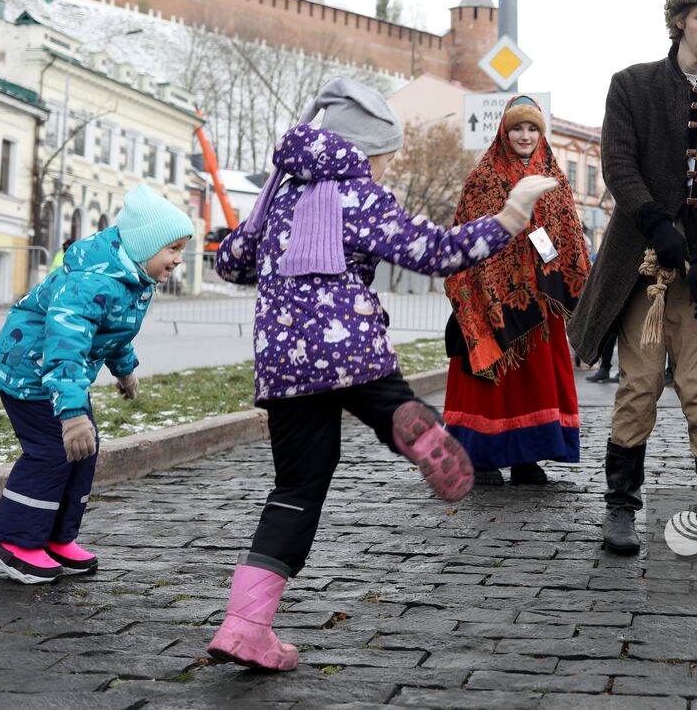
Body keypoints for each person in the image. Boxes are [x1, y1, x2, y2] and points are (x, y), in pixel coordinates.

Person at [207, 78, 557, 671]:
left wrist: (263, 229)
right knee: (383, 397)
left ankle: (246, 626)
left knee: (295, 489)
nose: (389, 163)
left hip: (284, 365)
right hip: (351, 348)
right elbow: (435, 252)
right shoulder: (358, 195)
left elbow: (231, 262)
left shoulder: (279, 194)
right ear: (366, 149)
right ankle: (415, 428)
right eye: (387, 153)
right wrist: (509, 216)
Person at [568, 0, 697, 556]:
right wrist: (655, 220)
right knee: (640, 386)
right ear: (678, 19)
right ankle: (621, 508)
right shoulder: (631, 85)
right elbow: (619, 165)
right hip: (640, 270)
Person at [0, 185, 193, 584]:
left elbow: (113, 333)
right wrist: (73, 414)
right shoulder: (92, 283)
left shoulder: (133, 279)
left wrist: (125, 369)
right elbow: (65, 347)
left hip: (61, 375)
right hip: (31, 373)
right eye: (173, 249)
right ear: (144, 244)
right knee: (52, 452)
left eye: (182, 249)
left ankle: (55, 538)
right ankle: (11, 546)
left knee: (83, 452)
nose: (179, 259)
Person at [443, 96, 589, 486]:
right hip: (489, 296)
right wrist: (488, 286)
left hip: (541, 300)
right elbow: (467, 235)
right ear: (504, 133)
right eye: (517, 128)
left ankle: (528, 458)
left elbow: (568, 234)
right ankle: (481, 457)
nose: (524, 136)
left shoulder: (554, 176)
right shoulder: (483, 177)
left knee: (535, 380)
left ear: (541, 134)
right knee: (489, 380)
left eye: (532, 129)